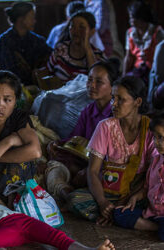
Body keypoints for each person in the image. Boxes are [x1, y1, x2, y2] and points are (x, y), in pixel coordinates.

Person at [68, 76, 156, 226]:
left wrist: (130, 198)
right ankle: (114, 214)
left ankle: (116, 215)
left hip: (138, 193)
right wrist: (102, 202)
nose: (113, 104)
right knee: (75, 199)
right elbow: (93, 171)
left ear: (138, 102)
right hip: (109, 190)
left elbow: (152, 174)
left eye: (120, 99)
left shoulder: (150, 129)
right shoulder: (105, 127)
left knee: (152, 203)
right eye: (113, 98)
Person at [46, 58, 119, 202]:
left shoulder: (116, 115)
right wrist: (58, 144)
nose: (91, 85)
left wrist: (90, 171)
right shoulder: (89, 111)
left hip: (105, 169)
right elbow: (76, 137)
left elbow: (116, 156)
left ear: (112, 87)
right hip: (84, 162)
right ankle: (65, 191)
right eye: (90, 80)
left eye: (99, 82)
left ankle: (71, 195)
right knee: (54, 166)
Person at [112, 113, 164, 241]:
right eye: (155, 137)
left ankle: (158, 228)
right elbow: (146, 188)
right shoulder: (155, 161)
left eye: (162, 137)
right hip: (152, 213)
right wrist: (135, 197)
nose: (158, 142)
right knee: (120, 213)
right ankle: (156, 227)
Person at [0, 2, 51, 86]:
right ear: (21, 19)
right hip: (7, 86)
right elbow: (8, 72)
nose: (34, 21)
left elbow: (51, 55)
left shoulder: (37, 40)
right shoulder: (5, 41)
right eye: (32, 17)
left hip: (33, 87)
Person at [48, 11, 105, 83]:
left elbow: (96, 80)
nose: (76, 31)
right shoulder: (61, 50)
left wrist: (87, 48)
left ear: (92, 31)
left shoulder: (98, 56)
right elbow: (47, 73)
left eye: (81, 27)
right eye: (73, 26)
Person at [123, 1, 164, 83]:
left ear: (141, 19)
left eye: (132, 18)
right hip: (138, 70)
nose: (130, 20)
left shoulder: (157, 32)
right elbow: (128, 57)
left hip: (153, 71)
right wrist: (123, 76)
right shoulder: (130, 33)